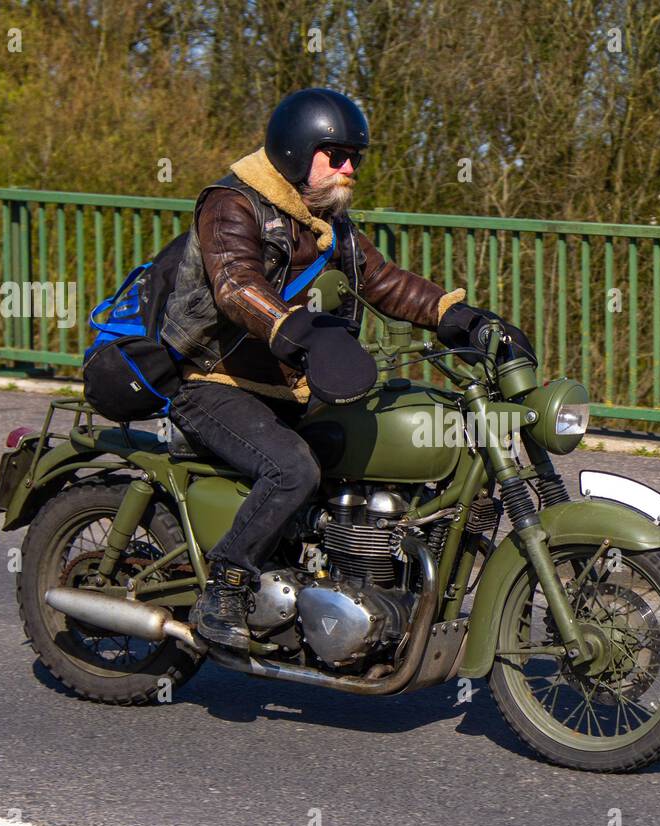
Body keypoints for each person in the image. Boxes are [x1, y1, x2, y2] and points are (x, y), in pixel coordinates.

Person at [160, 87, 528, 649]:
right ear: (295, 149)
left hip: (290, 387)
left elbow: (385, 282)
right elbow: (236, 284)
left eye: (356, 156)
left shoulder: (329, 225)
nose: (349, 167)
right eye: (336, 155)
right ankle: (226, 588)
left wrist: (460, 318)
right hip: (214, 380)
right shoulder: (231, 203)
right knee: (293, 471)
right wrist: (294, 330)